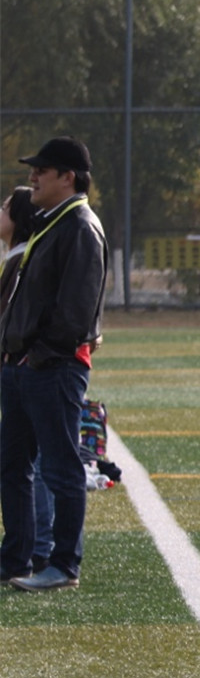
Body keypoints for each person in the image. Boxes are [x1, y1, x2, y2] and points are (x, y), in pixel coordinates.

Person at [1, 137, 109, 591]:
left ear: (68, 177)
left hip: (52, 367)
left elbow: (76, 311)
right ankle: (17, 557)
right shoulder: (52, 222)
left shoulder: (80, 227)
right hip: (25, 365)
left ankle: (64, 565)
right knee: (12, 465)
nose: (33, 177)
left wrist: (39, 355)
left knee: (61, 470)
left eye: (42, 171)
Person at [0, 187, 56, 581]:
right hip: (19, 368)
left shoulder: (23, 259)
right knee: (21, 463)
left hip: (29, 369)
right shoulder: (13, 258)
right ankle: (26, 549)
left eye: (4, 206)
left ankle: (39, 549)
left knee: (29, 464)